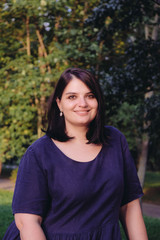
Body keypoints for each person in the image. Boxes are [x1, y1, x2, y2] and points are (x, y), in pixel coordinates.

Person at [3, 68, 148, 240]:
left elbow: (129, 205)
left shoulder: (115, 141)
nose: (83, 103)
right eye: (72, 97)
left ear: (98, 101)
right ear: (59, 103)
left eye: (90, 96)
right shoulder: (38, 154)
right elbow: (26, 222)